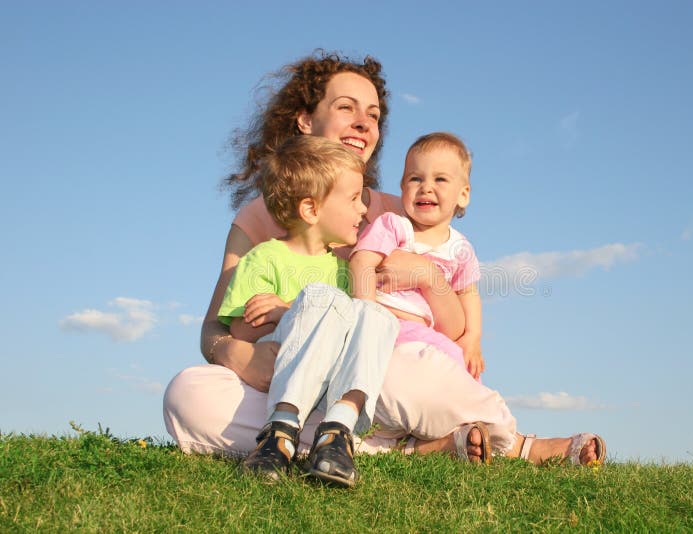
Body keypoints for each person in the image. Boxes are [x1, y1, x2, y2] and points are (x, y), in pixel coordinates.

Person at [162, 50, 605, 467]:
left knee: (397, 365)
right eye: (347, 109)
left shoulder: (406, 209)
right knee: (189, 394)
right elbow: (214, 330)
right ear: (304, 119)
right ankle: (395, 445)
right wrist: (238, 356)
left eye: (373, 116)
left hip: (382, 369)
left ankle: (506, 444)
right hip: (286, 376)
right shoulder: (259, 219)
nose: (363, 124)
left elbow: (451, 325)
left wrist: (429, 276)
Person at [217, 135, 399, 486]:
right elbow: (240, 332)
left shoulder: (344, 271)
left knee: (375, 315)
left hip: (329, 375)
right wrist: (295, 313)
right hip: (280, 366)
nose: (363, 209)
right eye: (353, 200)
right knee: (322, 298)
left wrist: (287, 309)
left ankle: (337, 433)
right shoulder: (264, 258)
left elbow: (353, 337)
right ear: (311, 209)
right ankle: (279, 433)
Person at [350, 132, 484, 380]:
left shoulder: (461, 248)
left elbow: (468, 293)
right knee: (452, 365)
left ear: (463, 194)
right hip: (388, 321)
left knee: (463, 363)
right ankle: (473, 413)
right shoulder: (393, 226)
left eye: (440, 179)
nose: (426, 188)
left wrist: (472, 338)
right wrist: (366, 315)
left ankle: (469, 413)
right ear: (402, 188)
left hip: (425, 333)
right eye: (415, 179)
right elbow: (362, 261)